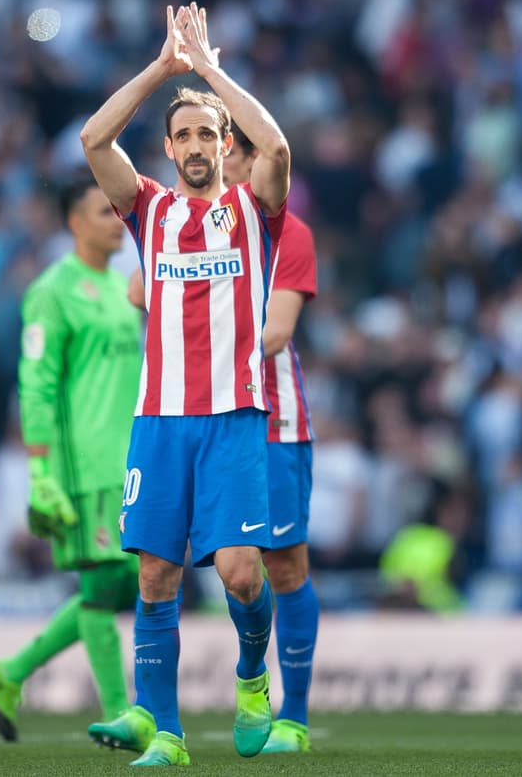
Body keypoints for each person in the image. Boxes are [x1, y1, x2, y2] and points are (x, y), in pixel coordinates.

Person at [80, 3, 290, 767]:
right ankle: (165, 732)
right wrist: (163, 70)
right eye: (186, 135)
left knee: (239, 575)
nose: (198, 145)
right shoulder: (149, 212)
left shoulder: (251, 209)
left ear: (222, 144)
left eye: (209, 134)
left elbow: (276, 144)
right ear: (167, 149)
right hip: (161, 421)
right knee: (157, 573)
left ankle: (249, 676)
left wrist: (207, 71)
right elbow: (93, 139)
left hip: (233, 416)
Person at [0, 180, 149, 751]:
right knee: (103, 584)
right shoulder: (52, 291)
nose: (114, 221)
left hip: (131, 458)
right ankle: (122, 712)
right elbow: (36, 381)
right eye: (103, 212)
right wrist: (41, 469)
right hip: (85, 463)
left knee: (122, 581)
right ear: (74, 223)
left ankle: (11, 671)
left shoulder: (124, 287)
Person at [229, 124, 320, 753]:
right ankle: (251, 680)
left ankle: (297, 715)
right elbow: (136, 288)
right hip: (209, 421)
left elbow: (278, 330)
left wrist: (203, 347)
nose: (210, 158)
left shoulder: (290, 232)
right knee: (234, 567)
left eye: (223, 148)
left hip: (273, 420)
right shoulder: (182, 225)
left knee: (284, 565)